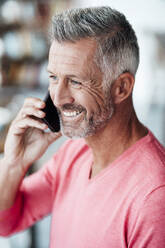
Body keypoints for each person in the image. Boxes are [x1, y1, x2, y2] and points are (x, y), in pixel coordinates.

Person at [0, 6, 165, 248]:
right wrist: (14, 163)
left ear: (121, 87)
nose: (57, 97)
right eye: (54, 78)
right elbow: (6, 223)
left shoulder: (154, 197)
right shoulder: (74, 153)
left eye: (75, 81)